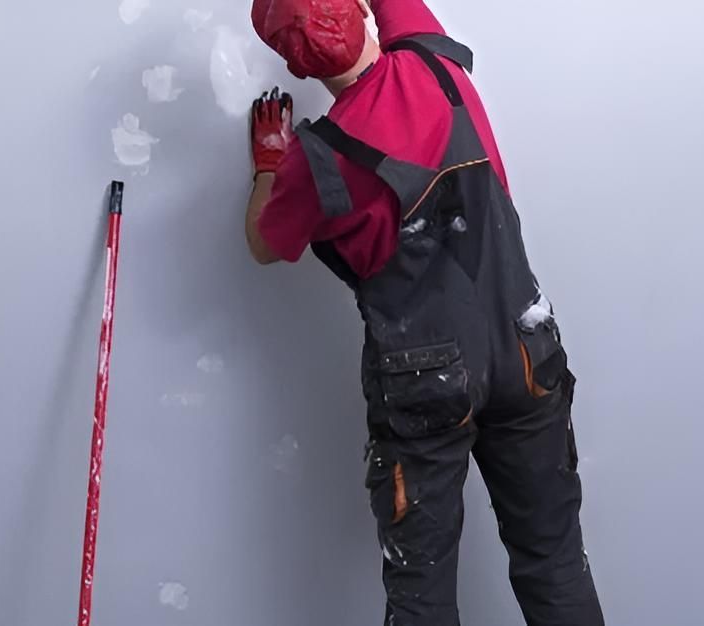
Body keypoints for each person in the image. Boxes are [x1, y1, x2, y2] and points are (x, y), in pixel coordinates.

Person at [241, 0, 606, 624]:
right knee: (554, 562)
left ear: (292, 67)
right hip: (526, 349)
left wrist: (272, 167)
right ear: (362, 9)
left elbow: (263, 245)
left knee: (422, 601)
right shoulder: (429, 55)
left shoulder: (315, 161)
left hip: (424, 381)